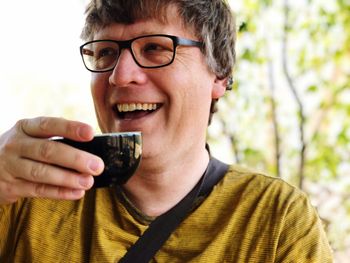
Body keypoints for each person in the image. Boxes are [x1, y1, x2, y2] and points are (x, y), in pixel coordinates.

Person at [0, 0, 333, 262]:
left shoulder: (276, 220)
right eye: (105, 52)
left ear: (219, 73)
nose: (120, 75)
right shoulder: (27, 195)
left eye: (155, 48)